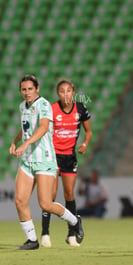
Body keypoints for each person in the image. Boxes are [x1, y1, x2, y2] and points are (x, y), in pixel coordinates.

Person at [9, 75, 83, 250]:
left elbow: (42, 128)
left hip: (45, 159)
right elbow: (25, 126)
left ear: (37, 89)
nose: (27, 93)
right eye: (24, 89)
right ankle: (32, 240)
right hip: (28, 160)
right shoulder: (22, 107)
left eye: (30, 89)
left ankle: (74, 220)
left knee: (46, 204)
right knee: (20, 200)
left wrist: (26, 143)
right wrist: (15, 141)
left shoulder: (44, 105)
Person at [41, 78, 92, 247]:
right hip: (53, 156)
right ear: (58, 94)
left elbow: (89, 131)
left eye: (68, 91)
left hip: (70, 157)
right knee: (51, 195)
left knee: (69, 194)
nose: (65, 94)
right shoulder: (52, 109)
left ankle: (71, 234)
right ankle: (45, 234)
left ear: (73, 92)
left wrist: (84, 144)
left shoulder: (80, 108)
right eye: (62, 91)